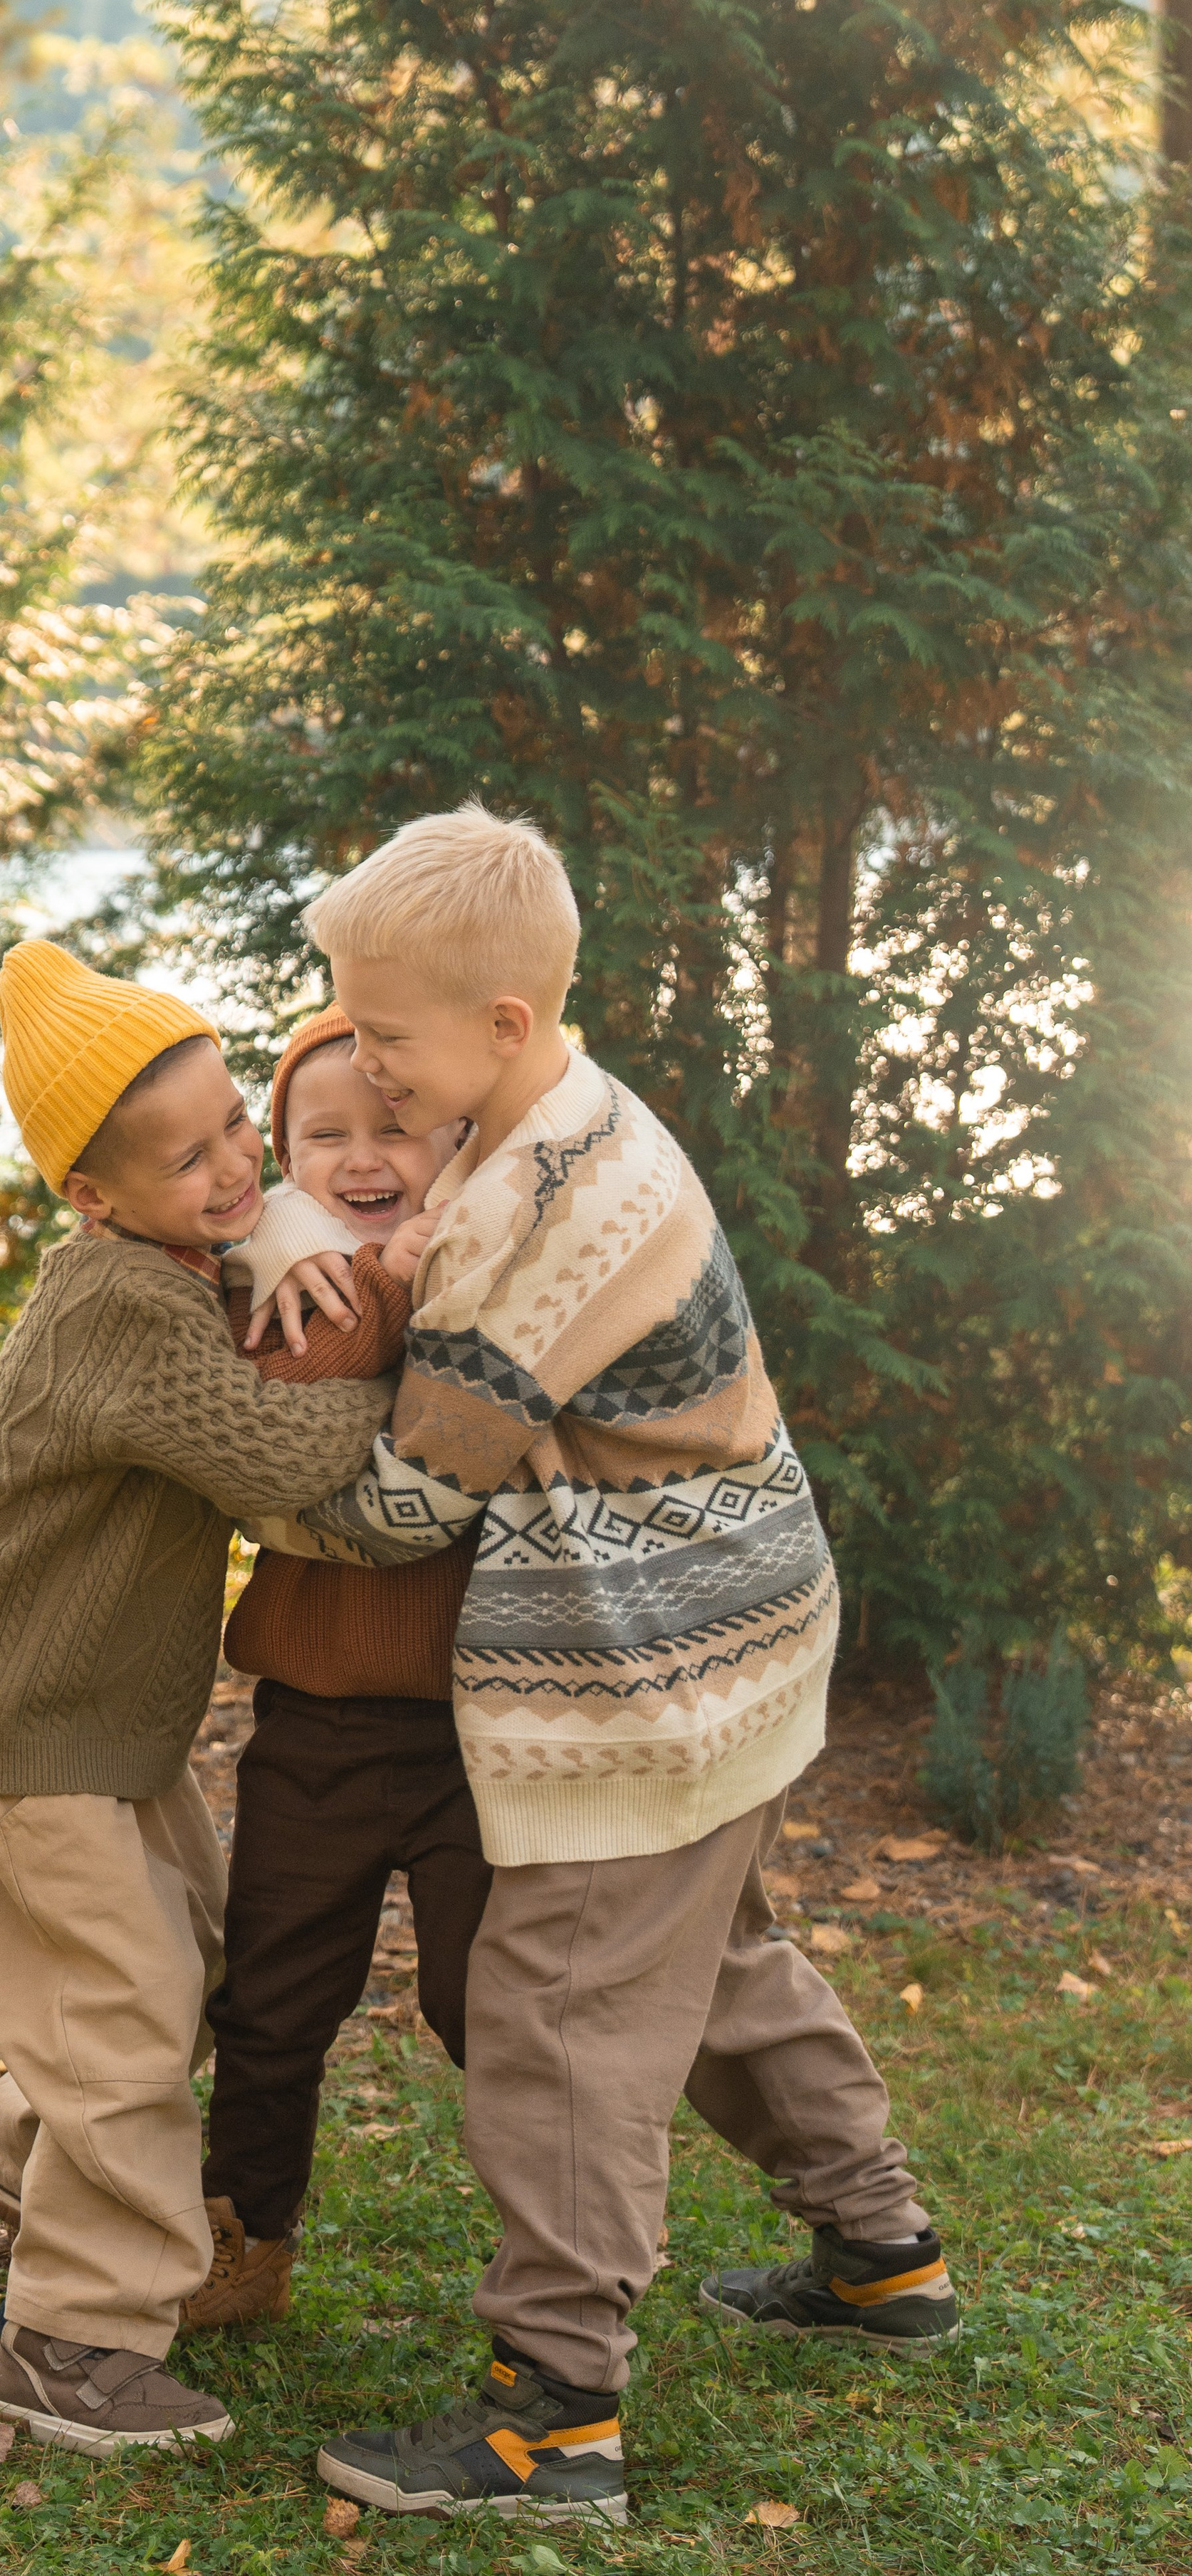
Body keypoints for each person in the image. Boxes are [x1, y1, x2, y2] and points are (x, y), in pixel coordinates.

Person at [246, 807, 959, 2529]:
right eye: (344, 1020)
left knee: (558, 2008)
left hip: (645, 1669)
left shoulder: (523, 1210)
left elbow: (414, 1495)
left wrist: (243, 1468)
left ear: (499, 1022)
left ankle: (552, 2412)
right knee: (708, 1955)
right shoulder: (570, 1121)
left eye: (387, 1036)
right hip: (746, 1625)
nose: (361, 1061)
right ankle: (878, 2248)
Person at [0, 940, 399, 2456]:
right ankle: (74, 2341)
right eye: (192, 1158)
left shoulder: (170, 1257)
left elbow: (243, 1249)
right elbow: (272, 1454)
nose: (239, 1163)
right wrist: (421, 1371)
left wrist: (272, 1226)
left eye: (241, 1122)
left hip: (92, 1725)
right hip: (19, 1727)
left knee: (172, 1958)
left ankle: (17, 2182)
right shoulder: (118, 1305)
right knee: (121, 2016)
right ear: (95, 1198)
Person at [180, 1009, 493, 2329]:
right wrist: (379, 1277)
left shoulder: (495, 1256)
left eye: (395, 1126)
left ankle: (566, 2245)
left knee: (490, 2003)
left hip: (486, 1733)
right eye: (327, 1135)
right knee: (275, 1997)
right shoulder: (271, 1273)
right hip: (315, 1721)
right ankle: (247, 2240)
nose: (365, 1157)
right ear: (285, 1158)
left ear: (458, 1138)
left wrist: (428, 1275)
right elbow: (293, 1370)